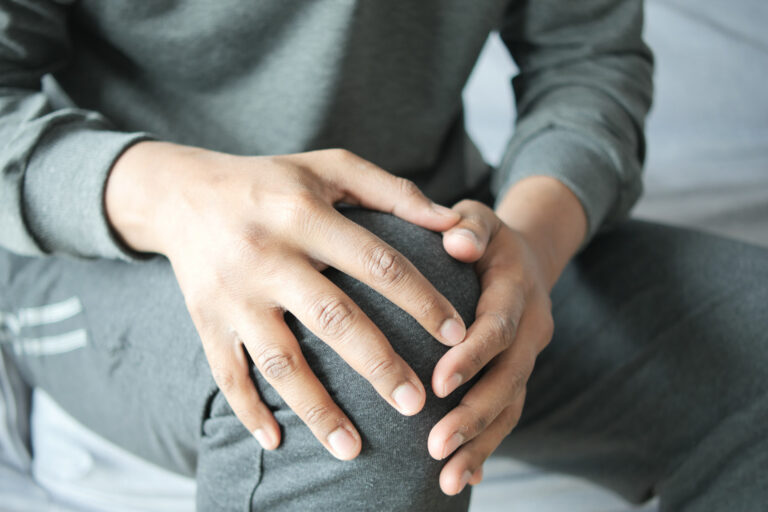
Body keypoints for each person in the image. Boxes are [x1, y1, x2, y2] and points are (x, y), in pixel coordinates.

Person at [1, 0, 766, 510]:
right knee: (357, 365)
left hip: (439, 247)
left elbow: (588, 58)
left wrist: (529, 250)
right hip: (117, 245)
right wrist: (184, 201)